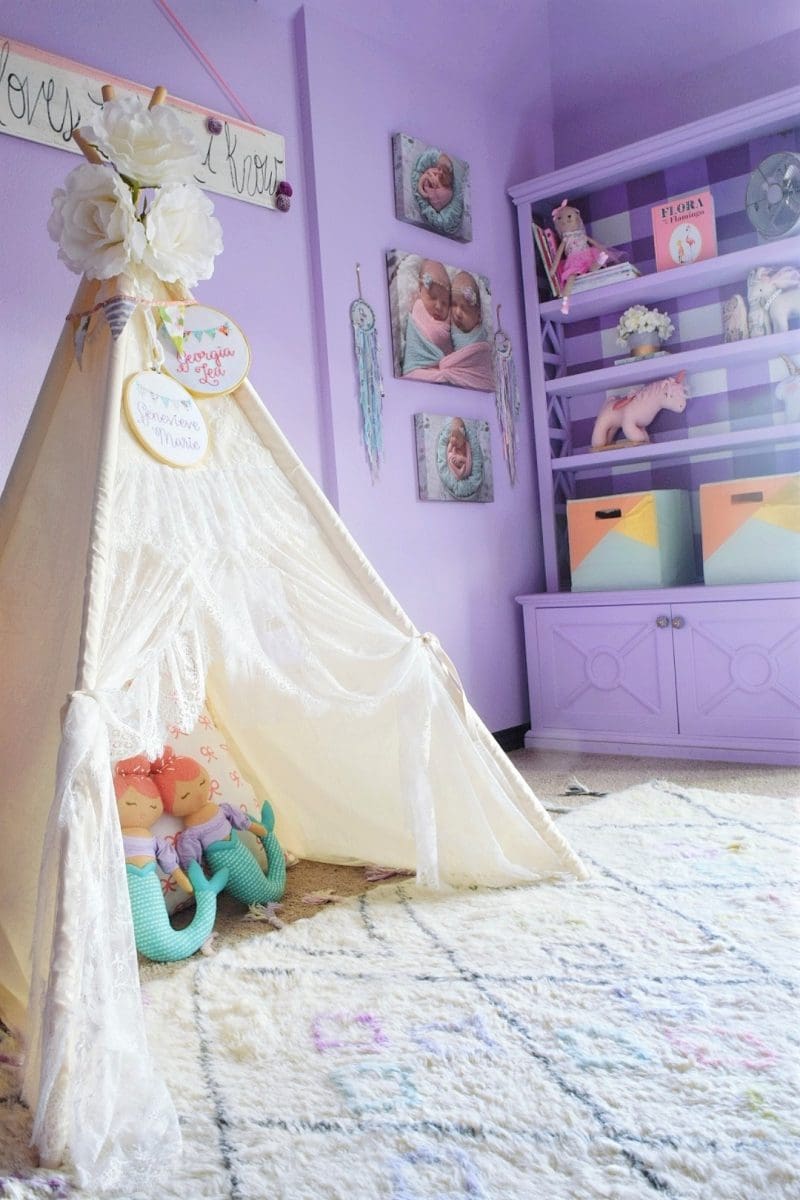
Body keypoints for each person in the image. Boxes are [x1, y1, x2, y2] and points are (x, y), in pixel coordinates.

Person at [113, 755, 228, 961]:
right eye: (130, 803)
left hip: (150, 895)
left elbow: (169, 862)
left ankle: (206, 895)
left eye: (152, 805)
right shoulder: (112, 840)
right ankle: (207, 894)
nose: (143, 811)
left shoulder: (152, 840)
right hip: (136, 895)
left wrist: (182, 878)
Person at [150, 747, 286, 906]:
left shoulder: (224, 810)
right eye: (185, 796)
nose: (198, 794)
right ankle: (267, 840)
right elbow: (192, 862)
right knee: (258, 889)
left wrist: (260, 830)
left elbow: (243, 821)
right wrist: (197, 879)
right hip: (225, 866)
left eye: (201, 782)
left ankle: (268, 836)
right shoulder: (191, 835)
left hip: (240, 852)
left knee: (266, 887)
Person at [401, 258, 453, 376]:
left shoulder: (451, 319)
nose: (439, 306)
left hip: (443, 369)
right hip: (418, 368)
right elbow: (436, 335)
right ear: (420, 289)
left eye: (445, 302)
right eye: (433, 298)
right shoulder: (418, 306)